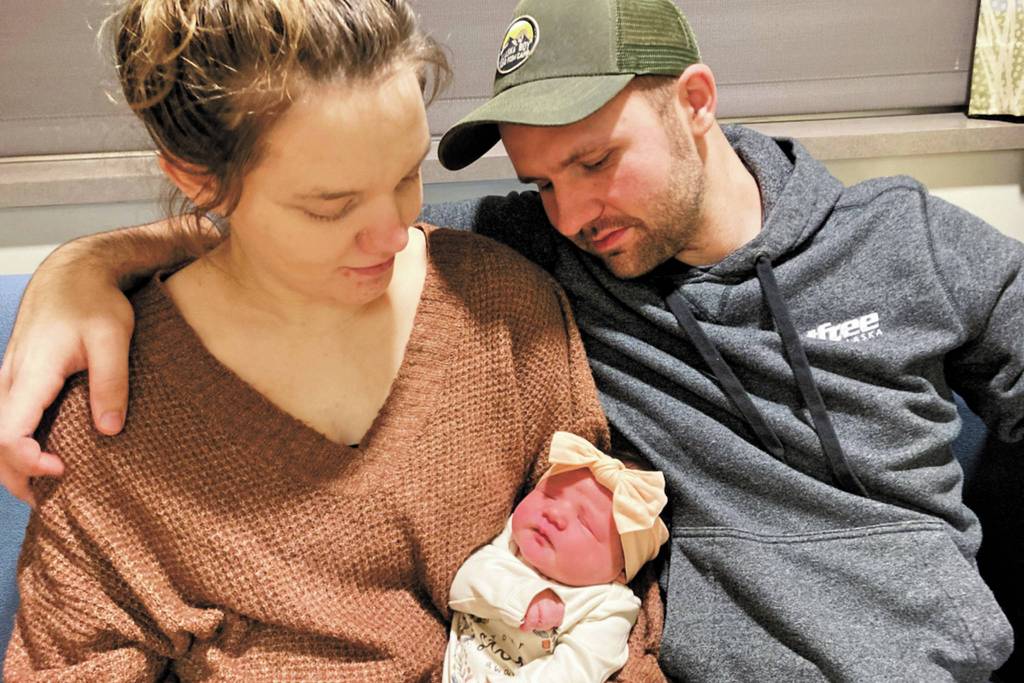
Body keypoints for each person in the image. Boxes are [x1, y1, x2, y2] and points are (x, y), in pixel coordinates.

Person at [0, 0, 1020, 679]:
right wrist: (81, 265)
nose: (571, 213)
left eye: (597, 160)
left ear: (696, 104)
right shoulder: (526, 266)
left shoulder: (903, 239)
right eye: (542, 182)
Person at [1, 0, 670, 680]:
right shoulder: (115, 421)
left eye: (408, 174)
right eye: (332, 206)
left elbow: (617, 606)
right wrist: (74, 265)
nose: (394, 232)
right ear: (200, 181)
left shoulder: (501, 309)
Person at [444, 431, 668, 682]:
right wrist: (522, 597)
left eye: (585, 523)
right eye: (549, 495)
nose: (555, 514)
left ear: (621, 572)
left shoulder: (609, 605)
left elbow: (578, 669)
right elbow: (460, 585)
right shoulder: (511, 541)